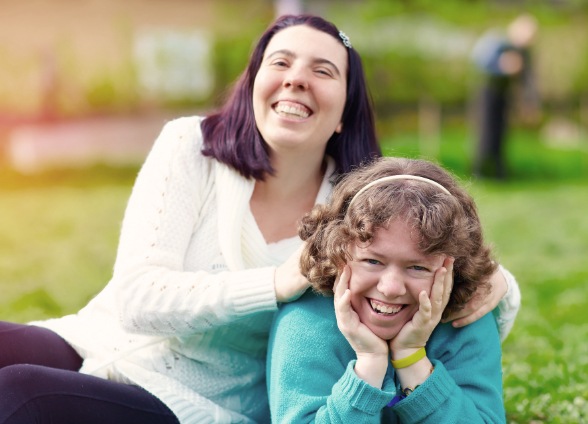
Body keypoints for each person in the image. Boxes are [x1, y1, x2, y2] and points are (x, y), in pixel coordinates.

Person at [0, 14, 518, 424]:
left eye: (323, 70)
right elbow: (137, 299)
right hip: (100, 340)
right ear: (254, 85)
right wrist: (276, 282)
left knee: (21, 393)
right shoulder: (191, 146)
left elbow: (424, 256)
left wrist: (498, 281)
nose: (296, 79)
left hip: (197, 400)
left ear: (344, 113)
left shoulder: (356, 208)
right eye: (281, 63)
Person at [268, 157, 514, 423]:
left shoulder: (464, 318)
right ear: (339, 253)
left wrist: (412, 359)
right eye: (372, 261)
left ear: (453, 269)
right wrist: (369, 365)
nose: (391, 288)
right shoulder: (306, 321)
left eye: (418, 267)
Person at [471, 13, 540, 179]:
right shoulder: (496, 41)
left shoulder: (523, 51)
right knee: (486, 132)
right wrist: (502, 67)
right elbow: (479, 62)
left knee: (501, 135)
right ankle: (479, 171)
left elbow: (527, 78)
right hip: (488, 92)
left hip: (505, 94)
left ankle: (499, 173)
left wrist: (529, 103)